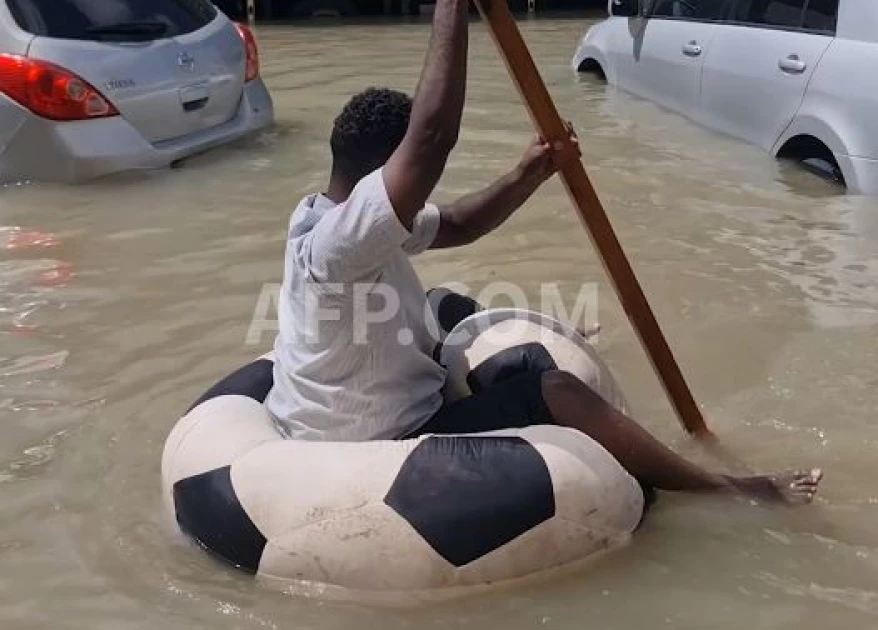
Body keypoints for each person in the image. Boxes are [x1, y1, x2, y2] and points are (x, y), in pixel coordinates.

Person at [266, 0, 822, 504]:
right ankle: (726, 488)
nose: (421, 185)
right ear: (383, 176)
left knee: (455, 310)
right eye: (408, 173)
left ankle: (627, 420)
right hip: (374, 438)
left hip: (369, 397)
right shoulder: (340, 244)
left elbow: (461, 223)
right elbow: (432, 135)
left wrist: (529, 172)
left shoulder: (334, 216)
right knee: (553, 388)